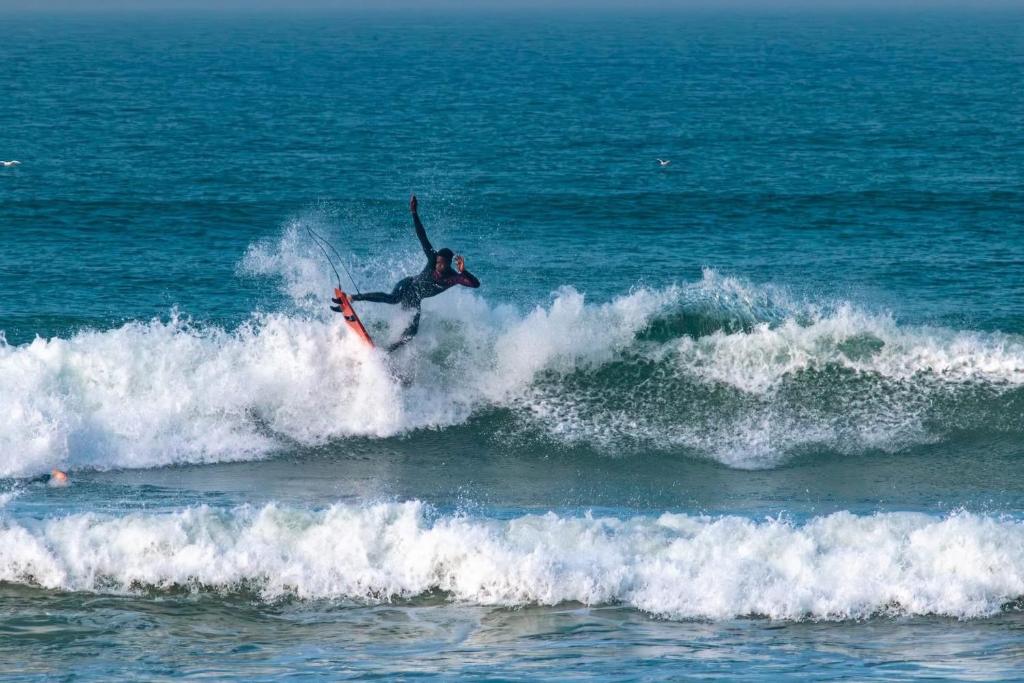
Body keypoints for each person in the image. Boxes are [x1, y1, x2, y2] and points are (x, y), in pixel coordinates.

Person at [340, 195, 480, 351]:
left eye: (441, 263)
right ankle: (352, 297)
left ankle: (387, 351)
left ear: (448, 264)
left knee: (411, 333)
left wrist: (464, 272)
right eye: (438, 262)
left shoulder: (453, 277)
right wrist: (414, 212)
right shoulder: (433, 259)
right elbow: (422, 236)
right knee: (393, 299)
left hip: (415, 300)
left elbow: (475, 284)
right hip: (408, 285)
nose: (438, 265)